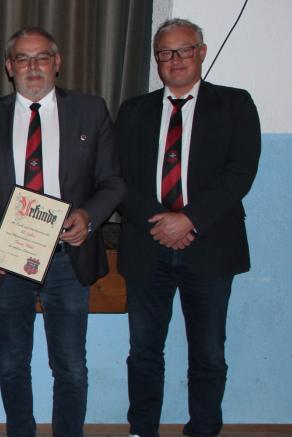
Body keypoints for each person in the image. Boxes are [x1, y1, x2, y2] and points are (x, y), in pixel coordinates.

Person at [0, 26, 124, 437]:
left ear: (57, 62)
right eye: (22, 58)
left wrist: (88, 218)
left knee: (70, 364)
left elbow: (114, 182)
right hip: (8, 259)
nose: (32, 67)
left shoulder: (91, 111)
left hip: (67, 259)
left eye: (41, 58)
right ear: (8, 66)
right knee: (12, 362)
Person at [116, 18, 260, 437]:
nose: (174, 59)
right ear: (156, 60)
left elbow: (240, 173)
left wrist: (189, 220)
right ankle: (142, 428)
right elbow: (118, 177)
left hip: (211, 246)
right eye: (165, 52)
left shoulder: (235, 104)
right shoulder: (134, 111)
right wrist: (159, 224)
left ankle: (204, 428)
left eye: (183, 50)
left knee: (209, 353)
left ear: (202, 51)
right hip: (147, 246)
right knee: (143, 352)